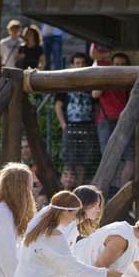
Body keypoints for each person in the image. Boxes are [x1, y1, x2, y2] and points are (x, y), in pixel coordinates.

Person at [55, 52, 99, 182]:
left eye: (83, 63)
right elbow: (58, 105)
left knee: (83, 162)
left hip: (87, 126)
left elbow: (96, 106)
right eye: (77, 63)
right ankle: (67, 186)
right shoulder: (65, 83)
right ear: (72, 65)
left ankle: (79, 187)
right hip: (70, 126)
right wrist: (63, 124)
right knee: (68, 160)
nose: (80, 65)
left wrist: (95, 122)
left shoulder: (91, 83)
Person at [93, 52, 134, 185]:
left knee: (131, 158)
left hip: (125, 122)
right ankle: (107, 190)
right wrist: (106, 78)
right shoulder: (106, 78)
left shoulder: (130, 81)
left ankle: (121, 191)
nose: (119, 67)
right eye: (116, 64)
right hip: (106, 121)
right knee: (108, 158)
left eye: (123, 65)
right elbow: (95, 94)